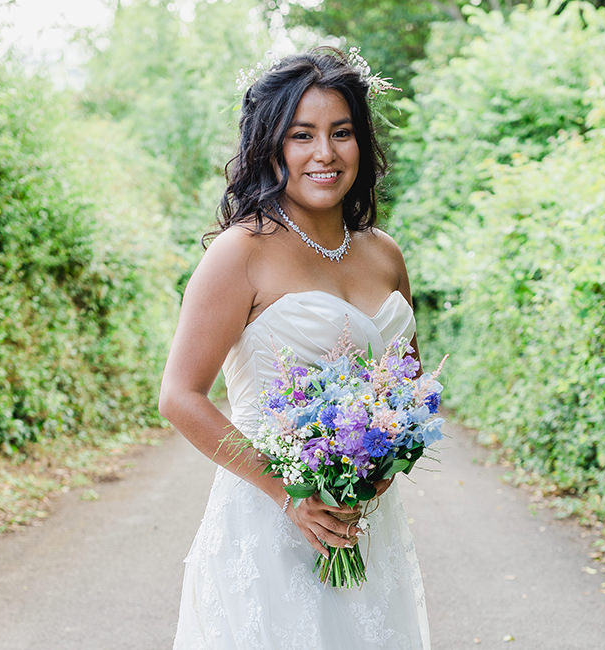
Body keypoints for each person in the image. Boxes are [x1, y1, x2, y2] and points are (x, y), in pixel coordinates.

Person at [158, 46, 430, 649]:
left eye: (342, 133)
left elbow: (406, 388)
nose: (325, 153)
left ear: (363, 143)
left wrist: (382, 465)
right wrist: (291, 494)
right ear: (271, 146)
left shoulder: (384, 253)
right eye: (302, 135)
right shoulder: (241, 252)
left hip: (362, 520)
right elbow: (179, 396)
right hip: (270, 516)